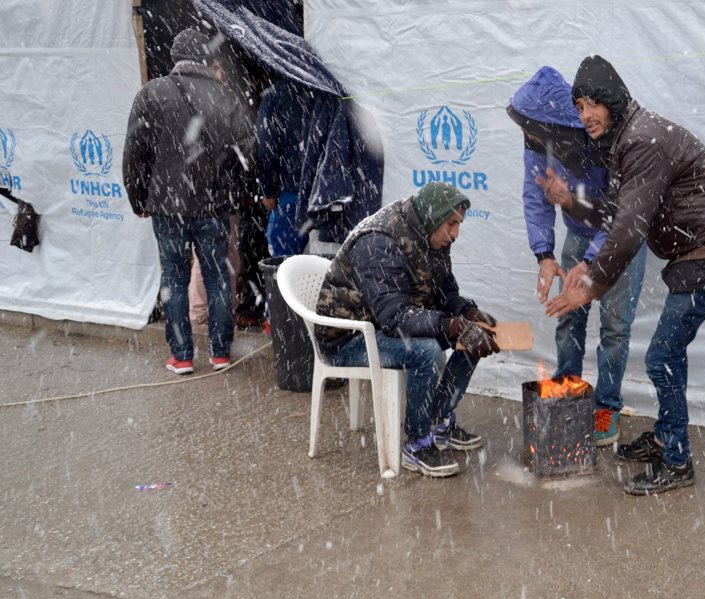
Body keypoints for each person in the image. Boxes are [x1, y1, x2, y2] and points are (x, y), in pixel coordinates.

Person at [546, 55, 705, 495]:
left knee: (662, 357)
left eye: (592, 105)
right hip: (699, 250)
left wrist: (591, 288)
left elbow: (628, 229)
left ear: (613, 100)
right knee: (665, 355)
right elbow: (616, 211)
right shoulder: (629, 135)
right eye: (579, 106)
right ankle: (666, 436)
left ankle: (676, 459)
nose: (585, 115)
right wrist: (583, 254)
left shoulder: (641, 140)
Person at [314, 182, 500, 478]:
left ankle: (439, 422)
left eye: (458, 225)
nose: (455, 234)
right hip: (350, 338)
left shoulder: (434, 236)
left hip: (384, 326)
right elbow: (394, 316)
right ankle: (417, 444)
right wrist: (451, 325)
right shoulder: (379, 240)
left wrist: (467, 313)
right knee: (426, 352)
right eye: (451, 224)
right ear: (433, 216)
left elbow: (445, 292)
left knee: (474, 337)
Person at [507, 66, 647, 446]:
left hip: (622, 242)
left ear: (551, 123)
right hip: (576, 237)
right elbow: (534, 195)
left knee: (615, 330)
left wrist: (588, 260)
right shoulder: (537, 139)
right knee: (568, 319)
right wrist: (544, 254)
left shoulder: (606, 138)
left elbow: (619, 215)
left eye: (534, 128)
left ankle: (607, 408)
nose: (529, 136)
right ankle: (568, 387)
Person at [122, 27, 255, 376]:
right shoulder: (226, 97)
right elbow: (247, 153)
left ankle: (182, 356)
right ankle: (220, 353)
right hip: (212, 206)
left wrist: (138, 198)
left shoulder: (150, 94)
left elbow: (134, 154)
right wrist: (232, 195)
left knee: (175, 280)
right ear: (205, 58)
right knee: (217, 278)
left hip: (167, 207)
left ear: (174, 58)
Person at [257, 77, 322, 258]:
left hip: (291, 189)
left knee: (284, 262)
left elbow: (267, 147)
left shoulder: (275, 94)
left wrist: (268, 189)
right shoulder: (323, 87)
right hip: (325, 190)